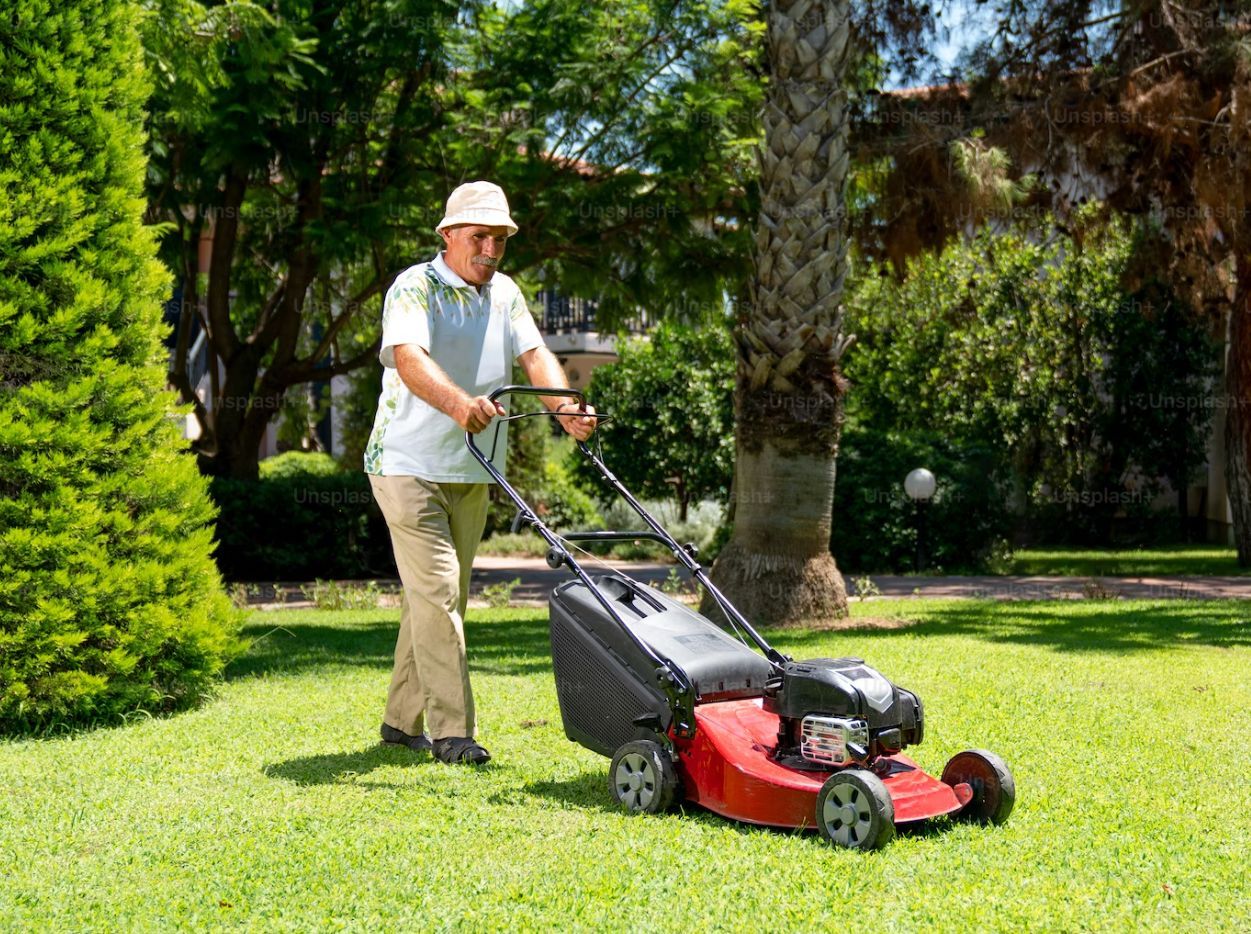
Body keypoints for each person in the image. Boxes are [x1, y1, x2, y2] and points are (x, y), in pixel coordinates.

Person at [364, 181, 595, 765]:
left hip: (472, 467)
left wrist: (565, 407)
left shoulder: (507, 294)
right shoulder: (414, 287)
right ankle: (452, 734)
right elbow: (411, 360)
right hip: (405, 464)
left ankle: (398, 722)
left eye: (500, 238)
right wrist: (459, 404)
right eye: (479, 236)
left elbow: (536, 355)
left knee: (440, 599)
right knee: (441, 594)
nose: (490, 248)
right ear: (448, 236)